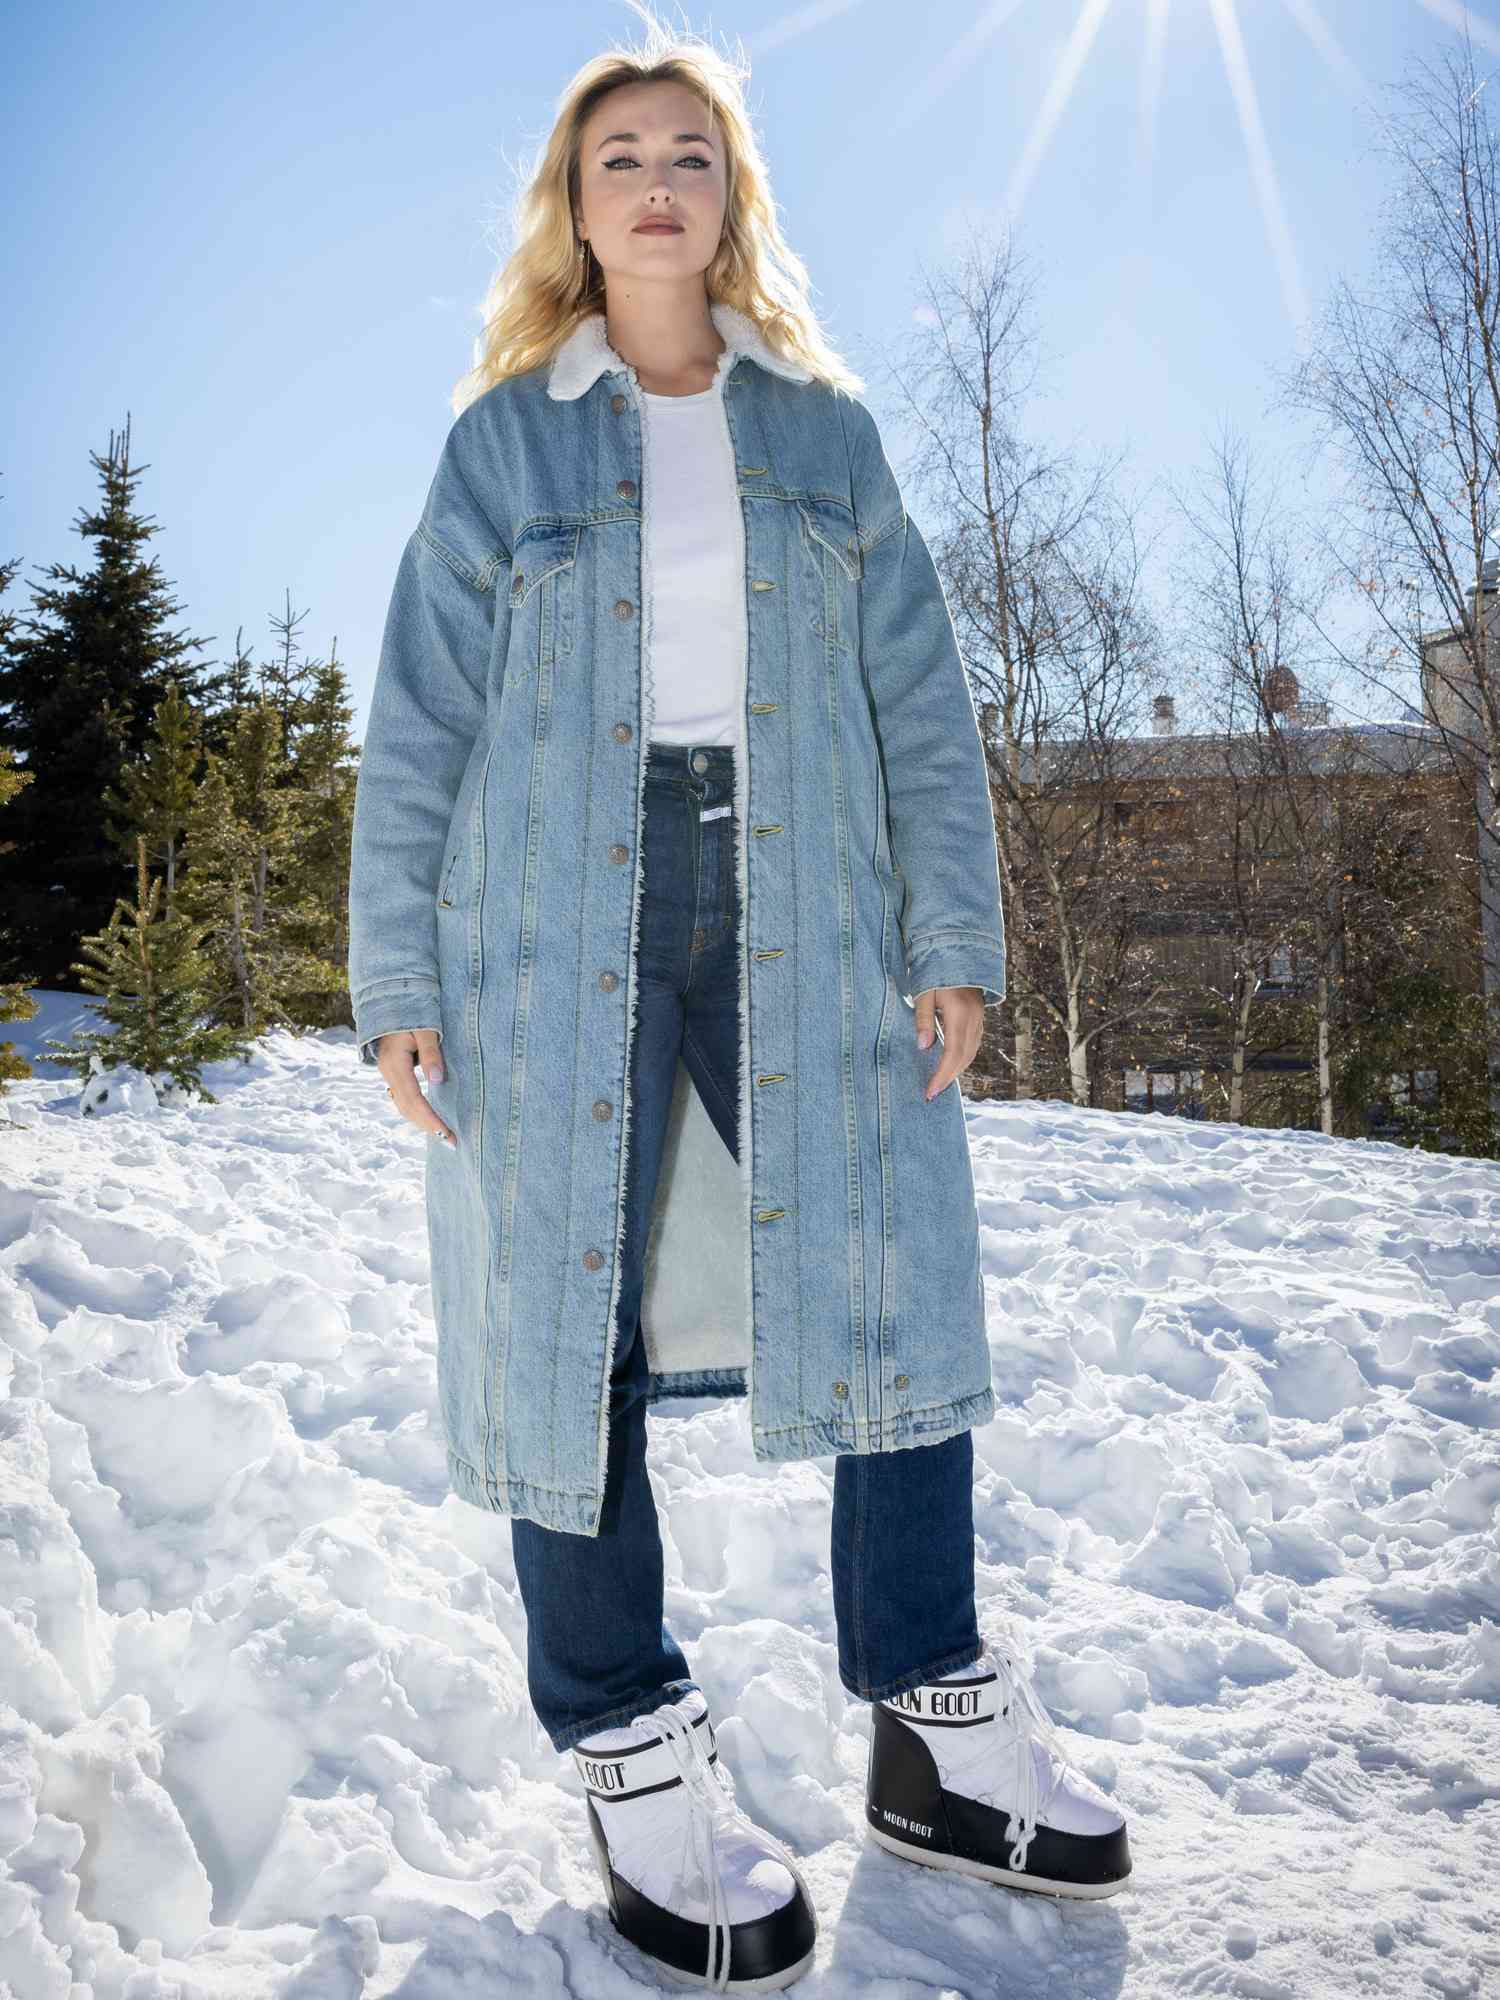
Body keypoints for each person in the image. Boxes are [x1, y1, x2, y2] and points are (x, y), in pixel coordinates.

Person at [347, 17, 1131, 1992]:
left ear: (732, 198)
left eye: (691, 151)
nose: (659, 182)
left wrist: (956, 926)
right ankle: (627, 1731)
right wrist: (394, 974)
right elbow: (420, 723)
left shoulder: (825, 434)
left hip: (806, 895)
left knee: (896, 1263)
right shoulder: (504, 443)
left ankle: (936, 1711)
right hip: (549, 909)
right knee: (562, 1309)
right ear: (577, 207)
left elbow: (923, 713)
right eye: (622, 155)